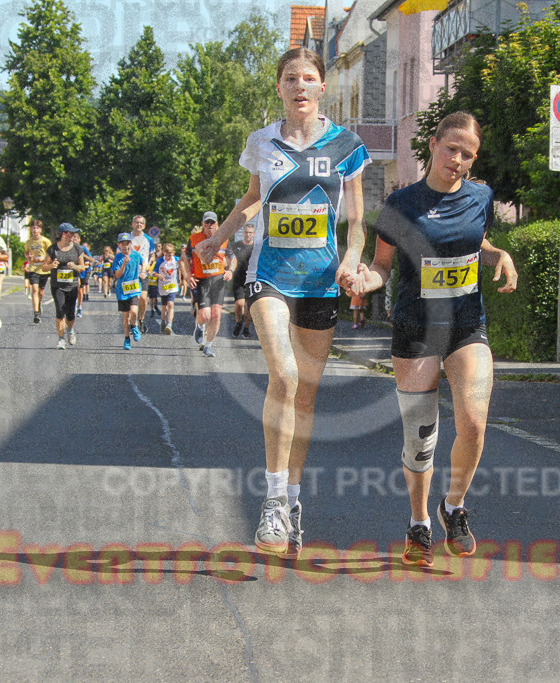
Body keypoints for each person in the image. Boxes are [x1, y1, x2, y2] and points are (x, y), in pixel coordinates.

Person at [195, 47, 370, 558]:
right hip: (269, 275)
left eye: (309, 78)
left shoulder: (347, 145)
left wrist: (352, 259)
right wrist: (222, 235)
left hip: (320, 280)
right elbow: (251, 197)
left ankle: (293, 501)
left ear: (322, 88)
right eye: (290, 78)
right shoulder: (262, 141)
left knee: (308, 396)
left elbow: (355, 221)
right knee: (284, 377)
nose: (300, 86)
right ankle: (271, 502)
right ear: (279, 88)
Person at [350, 111, 518, 567]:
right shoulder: (402, 204)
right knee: (421, 436)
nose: (458, 160)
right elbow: (383, 265)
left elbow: (474, 241)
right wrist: (368, 281)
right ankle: (419, 521)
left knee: (475, 421)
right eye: (451, 149)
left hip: (466, 324)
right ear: (433, 146)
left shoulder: (481, 196)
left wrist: (499, 253)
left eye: (468, 154)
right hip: (416, 330)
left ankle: (454, 506)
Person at [183, 211, 231, 358]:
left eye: (212, 222)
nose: (210, 225)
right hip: (202, 280)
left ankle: (209, 345)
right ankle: (199, 325)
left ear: (217, 224)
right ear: (203, 224)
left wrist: (230, 270)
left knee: (216, 315)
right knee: (205, 315)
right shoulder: (194, 239)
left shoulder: (224, 239)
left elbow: (232, 258)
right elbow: (184, 259)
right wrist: (188, 276)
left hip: (218, 281)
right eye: (207, 222)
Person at [43, 222, 88, 349]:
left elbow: (82, 267)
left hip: (72, 285)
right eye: (71, 233)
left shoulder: (77, 249)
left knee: (70, 314)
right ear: (64, 234)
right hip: (57, 286)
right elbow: (44, 266)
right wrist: (52, 266)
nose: (73, 236)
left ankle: (70, 330)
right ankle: (61, 339)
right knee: (60, 311)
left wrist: (75, 266)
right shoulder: (53, 249)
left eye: (74, 233)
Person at [112, 232, 146, 350]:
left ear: (131, 244)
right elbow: (118, 274)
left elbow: (144, 264)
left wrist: (143, 272)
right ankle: (127, 339)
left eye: (127, 243)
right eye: (123, 244)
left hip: (134, 288)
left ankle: (134, 325)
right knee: (125, 316)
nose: (125, 246)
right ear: (119, 245)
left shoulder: (136, 255)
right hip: (122, 290)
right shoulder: (117, 258)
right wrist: (124, 264)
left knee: (134, 311)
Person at [229, 222, 256, 338]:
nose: (248, 234)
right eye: (246, 232)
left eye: (250, 233)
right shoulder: (236, 246)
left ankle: (246, 328)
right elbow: (229, 259)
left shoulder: (257, 248)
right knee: (239, 304)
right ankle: (238, 322)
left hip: (252, 280)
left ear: (254, 234)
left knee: (249, 307)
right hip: (238, 280)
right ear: (243, 233)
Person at [129, 215, 155, 334]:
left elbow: (153, 256)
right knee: (131, 300)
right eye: (137, 222)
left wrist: (148, 266)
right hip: (130, 273)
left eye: (141, 223)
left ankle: (142, 319)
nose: (139, 225)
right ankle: (131, 322)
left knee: (143, 298)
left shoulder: (148, 239)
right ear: (132, 224)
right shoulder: (127, 238)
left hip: (143, 272)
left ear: (144, 226)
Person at [24, 219, 52, 324]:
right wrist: (29, 256)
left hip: (43, 269)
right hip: (33, 269)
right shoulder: (28, 242)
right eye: (33, 228)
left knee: (41, 292)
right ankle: (36, 313)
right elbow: (26, 253)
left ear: (40, 230)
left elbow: (51, 253)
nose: (35, 230)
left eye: (37, 228)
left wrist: (43, 258)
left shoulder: (46, 241)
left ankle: (39, 305)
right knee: (34, 290)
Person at [155, 243, 180, 335]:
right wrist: (159, 275)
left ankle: (169, 324)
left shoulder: (176, 260)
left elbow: (183, 263)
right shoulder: (160, 261)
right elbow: (153, 272)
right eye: (166, 255)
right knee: (164, 307)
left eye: (170, 255)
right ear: (163, 253)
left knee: (170, 304)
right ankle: (163, 322)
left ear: (173, 253)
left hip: (172, 286)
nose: (168, 257)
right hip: (163, 287)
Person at [73, 232, 93, 318]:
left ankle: (79, 307)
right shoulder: (69, 248)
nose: (74, 240)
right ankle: (73, 304)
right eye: (73, 238)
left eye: (76, 238)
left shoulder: (83, 248)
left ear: (79, 240)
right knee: (75, 287)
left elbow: (91, 259)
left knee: (80, 289)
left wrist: (83, 255)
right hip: (73, 270)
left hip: (82, 270)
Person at [147, 241, 165, 321]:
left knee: (155, 298)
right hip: (149, 282)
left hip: (157, 281)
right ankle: (152, 310)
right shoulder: (148, 263)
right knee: (151, 298)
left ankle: (156, 306)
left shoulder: (158, 262)